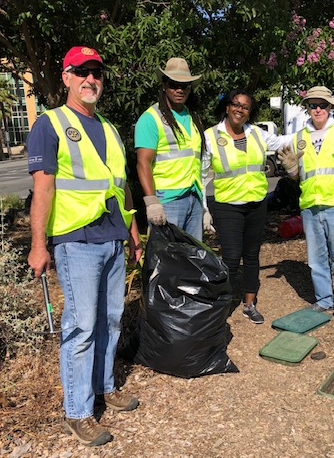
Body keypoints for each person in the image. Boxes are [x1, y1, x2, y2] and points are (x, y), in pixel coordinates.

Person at [27, 46, 142, 446]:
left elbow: (120, 184)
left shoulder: (109, 128)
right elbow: (43, 187)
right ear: (66, 77)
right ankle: (77, 412)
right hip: (76, 241)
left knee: (110, 321)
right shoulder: (51, 124)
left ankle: (105, 386)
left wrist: (132, 229)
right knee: (80, 328)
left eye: (96, 73)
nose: (91, 79)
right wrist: (38, 245)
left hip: (111, 237)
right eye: (82, 72)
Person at [278, 86, 334, 327]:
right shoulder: (298, 137)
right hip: (310, 206)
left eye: (322, 105)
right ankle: (325, 300)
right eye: (313, 105)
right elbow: (297, 175)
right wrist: (290, 168)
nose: (318, 109)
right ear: (307, 107)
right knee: (316, 259)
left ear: (330, 107)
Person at [203, 89, 289, 323]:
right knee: (230, 258)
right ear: (227, 107)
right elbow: (201, 175)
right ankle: (220, 308)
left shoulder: (258, 134)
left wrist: (314, 130)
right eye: (235, 104)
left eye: (245, 106)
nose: (239, 109)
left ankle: (249, 304)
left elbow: (285, 141)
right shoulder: (210, 136)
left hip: (256, 203)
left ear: (250, 113)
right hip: (227, 205)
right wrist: (204, 210)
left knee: (251, 256)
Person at [135, 57, 207, 241]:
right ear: (164, 85)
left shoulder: (193, 117)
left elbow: (197, 162)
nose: (179, 89)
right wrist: (151, 202)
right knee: (168, 261)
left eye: (185, 85)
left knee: (192, 260)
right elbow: (143, 162)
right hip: (167, 201)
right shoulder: (151, 118)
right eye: (174, 84)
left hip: (193, 197)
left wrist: (203, 204)